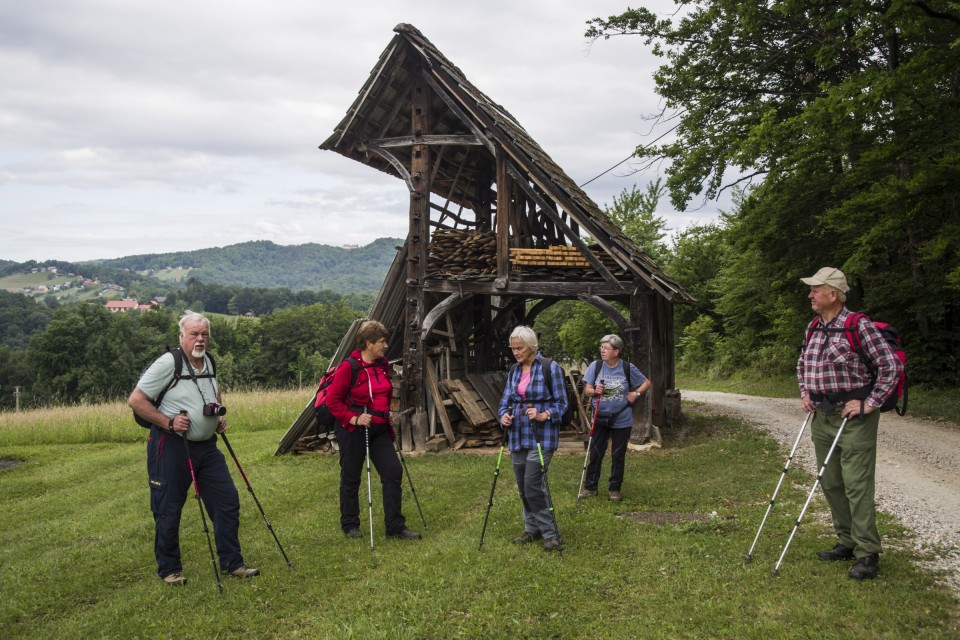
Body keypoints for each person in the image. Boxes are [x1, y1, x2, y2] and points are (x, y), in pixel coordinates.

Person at [128, 312, 259, 586]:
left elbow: (214, 389)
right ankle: (169, 569)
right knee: (168, 507)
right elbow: (136, 400)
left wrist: (217, 417)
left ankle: (232, 563)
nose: (200, 339)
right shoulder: (169, 363)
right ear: (181, 336)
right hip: (171, 446)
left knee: (227, 501)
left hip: (207, 448)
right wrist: (168, 422)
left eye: (204, 334)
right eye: (194, 334)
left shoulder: (208, 361)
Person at [797, 267, 903, 580]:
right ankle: (847, 541)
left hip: (854, 418)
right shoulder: (814, 326)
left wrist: (870, 403)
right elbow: (803, 363)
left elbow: (890, 366)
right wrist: (805, 392)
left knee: (857, 484)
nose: (810, 295)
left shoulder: (860, 326)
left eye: (816, 289)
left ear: (833, 294)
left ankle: (867, 552)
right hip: (823, 416)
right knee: (830, 482)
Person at [327, 320, 421, 540]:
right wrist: (354, 418)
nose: (386, 345)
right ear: (368, 344)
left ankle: (395, 527)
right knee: (351, 476)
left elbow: (382, 392)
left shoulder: (382, 364)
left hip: (379, 428)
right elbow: (333, 401)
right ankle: (350, 524)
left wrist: (385, 411)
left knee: (392, 472)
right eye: (381, 342)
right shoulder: (348, 367)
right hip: (353, 430)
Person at [497, 325, 568, 552]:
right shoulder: (514, 371)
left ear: (532, 346)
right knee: (522, 485)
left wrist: (543, 414)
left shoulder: (550, 368)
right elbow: (506, 400)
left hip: (542, 435)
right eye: (513, 348)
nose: (515, 352)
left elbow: (562, 403)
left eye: (520, 348)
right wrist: (504, 416)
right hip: (518, 434)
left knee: (532, 484)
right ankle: (532, 528)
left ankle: (551, 534)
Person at [579, 334, 651, 502]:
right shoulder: (595, 366)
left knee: (618, 454)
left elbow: (646, 382)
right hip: (599, 416)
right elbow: (587, 390)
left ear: (616, 351)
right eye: (601, 347)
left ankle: (615, 489)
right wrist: (594, 390)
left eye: (606, 348)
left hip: (622, 418)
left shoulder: (627, 368)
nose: (602, 351)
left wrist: (636, 393)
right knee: (596, 453)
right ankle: (590, 487)